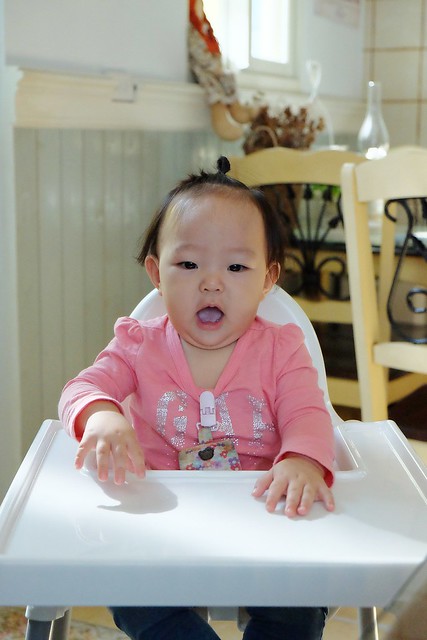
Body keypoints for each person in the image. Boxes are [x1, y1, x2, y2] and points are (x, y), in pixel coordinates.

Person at [59, 156, 335, 640]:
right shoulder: (138, 345)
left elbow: (309, 414)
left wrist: (302, 460)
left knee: (301, 599)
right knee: (129, 592)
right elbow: (82, 388)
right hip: (160, 521)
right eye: (188, 264)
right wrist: (101, 415)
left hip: (265, 520)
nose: (211, 281)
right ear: (156, 272)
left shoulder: (281, 350)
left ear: (267, 279)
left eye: (236, 266)